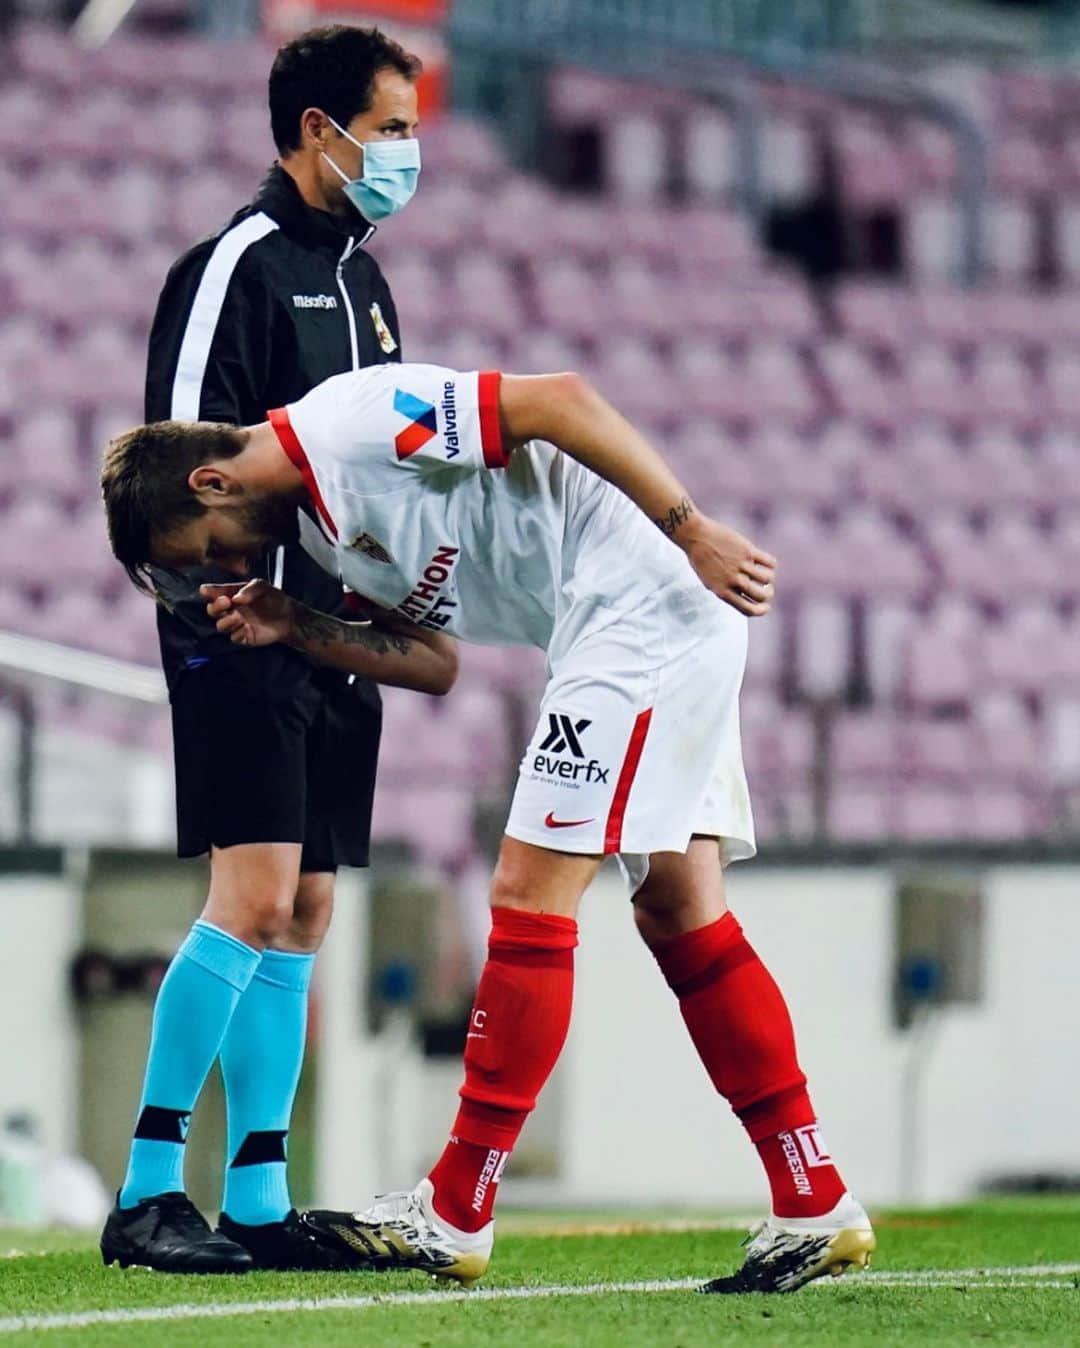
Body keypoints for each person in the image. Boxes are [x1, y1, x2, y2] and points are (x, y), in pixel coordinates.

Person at [100, 360, 876, 1294]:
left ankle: (458, 1205)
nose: (223, 568)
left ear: (211, 482)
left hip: (640, 606)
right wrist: (292, 623)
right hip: (623, 625)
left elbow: (558, 401)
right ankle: (812, 1195)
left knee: (526, 893)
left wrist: (691, 530)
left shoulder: (353, 427)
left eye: (205, 550)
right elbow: (434, 663)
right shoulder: (324, 528)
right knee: (678, 907)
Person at [101, 25, 426, 1274]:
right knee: (249, 897)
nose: (406, 153)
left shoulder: (368, 283)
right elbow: (182, 462)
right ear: (316, 132)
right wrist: (223, 605)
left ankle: (255, 1193)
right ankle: (144, 1190)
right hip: (245, 627)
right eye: (391, 129)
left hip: (338, 634)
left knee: (308, 906)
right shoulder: (233, 265)